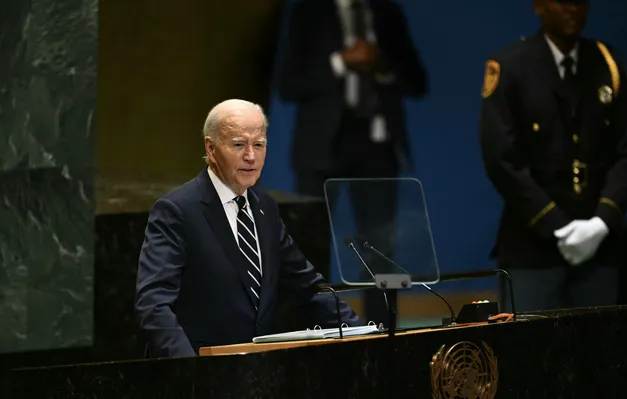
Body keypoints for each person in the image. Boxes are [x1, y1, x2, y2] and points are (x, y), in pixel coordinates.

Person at [135, 99, 362, 358]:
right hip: (198, 378)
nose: (251, 156)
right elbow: (154, 304)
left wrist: (364, 334)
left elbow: (308, 287)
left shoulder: (265, 208)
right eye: (238, 145)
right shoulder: (177, 210)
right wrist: (191, 371)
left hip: (255, 376)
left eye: (259, 145)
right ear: (211, 148)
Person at [478, 0, 627, 312]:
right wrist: (558, 225)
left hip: (599, 245)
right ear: (539, 6)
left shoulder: (608, 63)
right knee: (528, 351)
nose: (573, 9)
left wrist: (602, 222)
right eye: (562, 1)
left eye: (580, 1)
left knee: (599, 351)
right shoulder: (511, 65)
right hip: (532, 243)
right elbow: (500, 158)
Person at [278, 0, 427, 324]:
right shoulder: (309, 11)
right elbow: (288, 84)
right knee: (307, 246)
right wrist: (341, 62)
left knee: (381, 248)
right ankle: (306, 329)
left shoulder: (386, 12)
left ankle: (382, 332)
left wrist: (381, 64)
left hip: (377, 146)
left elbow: (417, 82)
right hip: (320, 147)